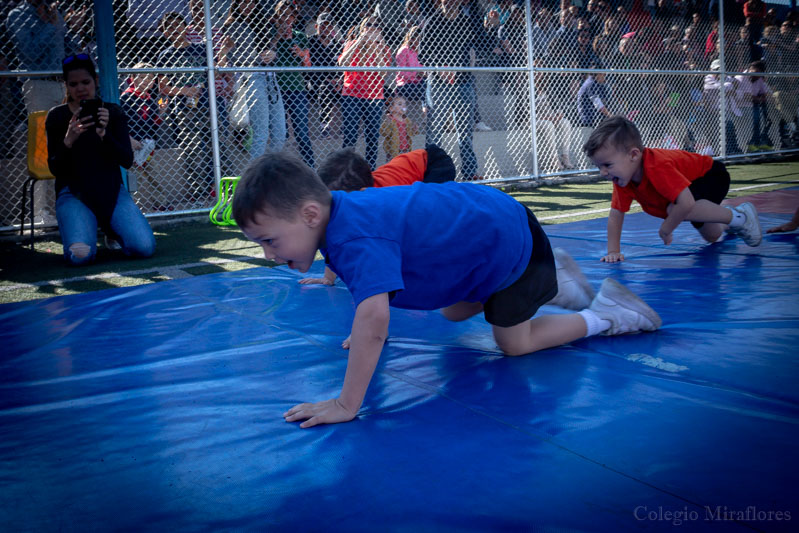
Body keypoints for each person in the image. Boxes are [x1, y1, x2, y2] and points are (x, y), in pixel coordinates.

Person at [232, 152, 662, 428]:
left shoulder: (349, 237)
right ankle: (551, 283)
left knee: (514, 343)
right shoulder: (343, 216)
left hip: (507, 241)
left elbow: (375, 318)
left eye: (270, 241)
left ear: (310, 214)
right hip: (493, 230)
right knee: (453, 313)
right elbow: (374, 298)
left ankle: (607, 314)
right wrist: (363, 327)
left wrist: (347, 403)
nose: (270, 255)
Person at [582, 116, 762, 264]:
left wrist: (666, 229)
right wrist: (614, 251)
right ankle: (729, 218)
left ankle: (742, 217)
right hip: (693, 187)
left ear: (633, 155)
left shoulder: (656, 167)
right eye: (599, 167)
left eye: (607, 165)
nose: (603, 172)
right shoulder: (622, 179)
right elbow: (616, 214)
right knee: (712, 236)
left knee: (674, 209)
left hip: (711, 176)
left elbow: (686, 202)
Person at [46, 53, 155, 265]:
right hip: (74, 193)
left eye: (85, 82)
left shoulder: (113, 111)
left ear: (95, 81)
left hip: (111, 191)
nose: (80, 88)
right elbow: (54, 168)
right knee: (80, 256)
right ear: (66, 86)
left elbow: (126, 160)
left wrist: (105, 134)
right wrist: (69, 139)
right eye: (74, 84)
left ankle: (112, 228)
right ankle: (85, 224)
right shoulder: (57, 116)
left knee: (144, 247)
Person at [421, 0, 482, 181]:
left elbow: (481, 44)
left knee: (465, 132)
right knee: (435, 132)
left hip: (463, 82)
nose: (449, 2)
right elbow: (423, 53)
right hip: (439, 83)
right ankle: (432, 174)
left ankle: (470, 173)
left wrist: (490, 26)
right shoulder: (433, 21)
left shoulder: (466, 20)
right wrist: (440, 67)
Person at [157, 12, 214, 201]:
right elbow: (163, 87)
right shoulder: (165, 55)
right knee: (192, 148)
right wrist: (184, 91)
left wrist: (223, 53)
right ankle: (198, 191)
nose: (174, 29)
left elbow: (216, 71)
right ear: (164, 32)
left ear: (186, 28)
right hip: (183, 109)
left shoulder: (201, 49)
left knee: (217, 144)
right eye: (169, 26)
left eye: (177, 25)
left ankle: (219, 186)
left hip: (209, 104)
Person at [223, 0, 286, 159]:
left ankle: (270, 170)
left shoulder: (262, 22)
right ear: (236, 4)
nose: (248, 6)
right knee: (261, 133)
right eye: (243, 2)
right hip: (250, 77)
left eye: (252, 3)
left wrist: (272, 54)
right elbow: (229, 56)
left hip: (270, 77)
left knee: (280, 133)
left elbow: (270, 48)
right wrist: (256, 57)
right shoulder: (233, 26)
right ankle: (255, 177)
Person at [338, 15, 392, 170]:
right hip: (351, 94)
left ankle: (370, 171)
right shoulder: (351, 44)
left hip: (374, 96)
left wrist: (375, 47)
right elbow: (343, 64)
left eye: (376, 25)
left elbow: (383, 73)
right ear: (362, 28)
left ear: (380, 30)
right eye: (368, 24)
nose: (372, 28)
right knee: (350, 137)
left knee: (372, 138)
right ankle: (344, 171)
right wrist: (360, 42)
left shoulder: (383, 48)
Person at [267, 0, 314, 168]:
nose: (287, 18)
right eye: (283, 15)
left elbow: (307, 65)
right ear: (277, 16)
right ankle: (280, 169)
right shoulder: (271, 33)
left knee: (302, 132)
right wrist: (278, 36)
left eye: (290, 15)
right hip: (276, 89)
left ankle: (310, 168)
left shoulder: (300, 36)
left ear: (294, 17)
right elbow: (265, 53)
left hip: (297, 89)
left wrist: (301, 54)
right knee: (281, 133)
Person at [6, 0, 65, 113]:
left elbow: (65, 46)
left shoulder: (54, 12)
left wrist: (76, 29)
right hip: (38, 83)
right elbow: (30, 53)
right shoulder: (18, 15)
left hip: (63, 81)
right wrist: (49, 26)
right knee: (41, 128)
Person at [307, 12, 341, 139]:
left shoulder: (337, 44)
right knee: (325, 87)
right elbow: (309, 69)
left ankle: (347, 126)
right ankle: (324, 126)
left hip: (335, 81)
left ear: (332, 27)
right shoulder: (310, 42)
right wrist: (327, 79)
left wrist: (339, 79)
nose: (326, 28)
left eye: (329, 25)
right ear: (316, 27)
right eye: (323, 25)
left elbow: (341, 66)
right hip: (315, 82)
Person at [380, 94, 419, 161]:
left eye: (404, 104)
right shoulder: (390, 120)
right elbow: (384, 133)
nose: (403, 106)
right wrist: (388, 124)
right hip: (393, 150)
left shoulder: (407, 120)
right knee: (393, 166)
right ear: (391, 108)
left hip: (406, 149)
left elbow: (410, 133)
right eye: (400, 104)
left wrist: (414, 129)